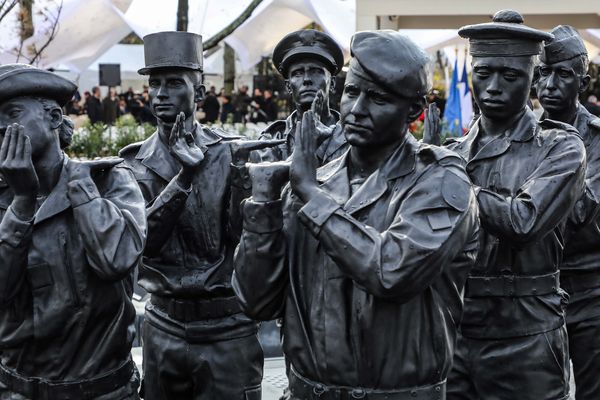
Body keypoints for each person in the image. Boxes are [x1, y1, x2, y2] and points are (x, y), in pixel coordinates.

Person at [233, 30, 479, 400]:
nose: (357, 109)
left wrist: (312, 198)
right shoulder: (315, 181)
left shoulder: (440, 180)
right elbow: (256, 302)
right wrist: (263, 206)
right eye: (352, 92)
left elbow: (391, 272)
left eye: (378, 98)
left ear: (414, 110)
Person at [438, 11, 586, 400]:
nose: (492, 87)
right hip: (454, 331)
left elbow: (523, 221)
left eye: (510, 76)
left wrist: (448, 180)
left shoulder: (560, 146)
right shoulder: (451, 153)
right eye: (484, 73)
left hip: (526, 336)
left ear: (533, 79)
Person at [119, 31, 264, 400]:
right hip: (164, 326)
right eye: (154, 84)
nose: (160, 94)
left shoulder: (231, 153)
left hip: (227, 329)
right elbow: (142, 244)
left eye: (173, 83)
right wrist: (184, 178)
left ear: (199, 94)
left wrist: (242, 180)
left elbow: (243, 241)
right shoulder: (133, 163)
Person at [0, 64, 146, 399]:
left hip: (102, 390)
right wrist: (22, 203)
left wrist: (80, 190)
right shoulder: (6, 197)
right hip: (17, 389)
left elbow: (115, 260)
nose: (0, 125)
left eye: (13, 112)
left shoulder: (107, 181)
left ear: (53, 117)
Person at [535, 25, 600, 400]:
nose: (550, 83)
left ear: (582, 78)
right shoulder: (521, 137)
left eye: (562, 73)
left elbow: (577, 215)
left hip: (589, 292)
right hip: (536, 294)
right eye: (543, 72)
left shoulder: (596, 138)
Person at [255, 29, 348, 165]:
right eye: (298, 73)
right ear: (288, 86)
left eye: (316, 71)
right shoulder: (272, 140)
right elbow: (267, 181)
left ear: (332, 83)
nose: (306, 79)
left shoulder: (351, 135)